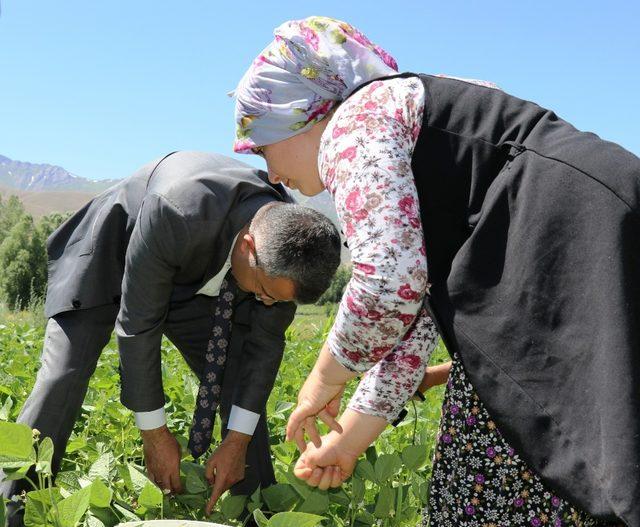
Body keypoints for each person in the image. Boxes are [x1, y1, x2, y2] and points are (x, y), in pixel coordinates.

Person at [230, 16, 639, 527]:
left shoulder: (354, 124)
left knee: (526, 438)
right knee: (559, 437)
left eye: (263, 145)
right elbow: (414, 320)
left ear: (307, 116)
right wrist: (349, 440)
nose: (271, 174)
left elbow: (388, 286)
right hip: (593, 224)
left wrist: (321, 381)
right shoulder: (402, 128)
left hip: (559, 238)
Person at [0, 151, 342, 523]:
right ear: (248, 246)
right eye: (263, 290)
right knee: (61, 379)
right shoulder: (178, 208)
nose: (267, 301)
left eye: (277, 298)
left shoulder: (290, 249)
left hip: (199, 280)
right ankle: (13, 508)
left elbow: (263, 349)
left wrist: (236, 442)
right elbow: (138, 326)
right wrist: (155, 435)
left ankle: (253, 513)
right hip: (110, 258)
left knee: (238, 374)